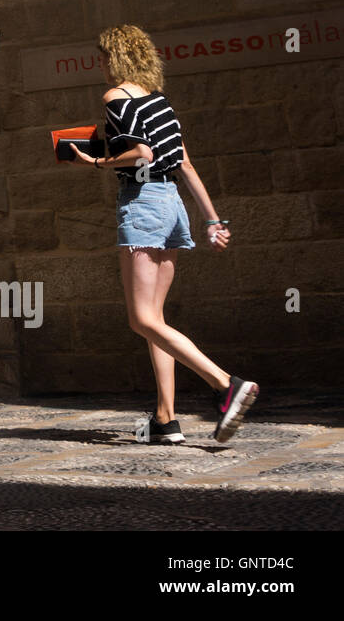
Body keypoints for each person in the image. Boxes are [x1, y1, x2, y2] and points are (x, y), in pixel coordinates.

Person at [68, 25, 257, 444]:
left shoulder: (116, 97)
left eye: (102, 58)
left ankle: (226, 385)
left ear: (114, 59)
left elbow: (140, 154)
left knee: (140, 319)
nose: (100, 66)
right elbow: (185, 165)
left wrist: (94, 162)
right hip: (173, 205)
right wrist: (213, 221)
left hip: (142, 202)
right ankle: (166, 420)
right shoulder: (160, 103)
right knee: (156, 321)